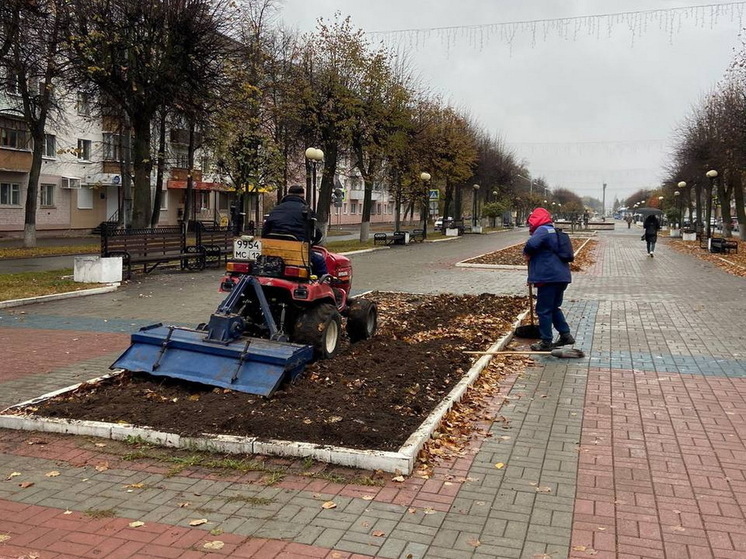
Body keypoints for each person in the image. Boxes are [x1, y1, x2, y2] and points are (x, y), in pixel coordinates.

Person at [523, 207, 575, 351]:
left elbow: (531, 245)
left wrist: (526, 252)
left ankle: (546, 341)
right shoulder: (553, 231)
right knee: (553, 307)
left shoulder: (542, 230)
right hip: (561, 277)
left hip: (549, 278)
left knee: (543, 310)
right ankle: (565, 335)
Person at [261, 185, 328, 276]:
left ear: (287, 195)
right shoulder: (306, 210)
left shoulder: (276, 209)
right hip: (297, 251)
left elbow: (264, 232)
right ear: (302, 196)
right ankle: (324, 284)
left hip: (273, 251)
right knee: (319, 261)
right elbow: (315, 233)